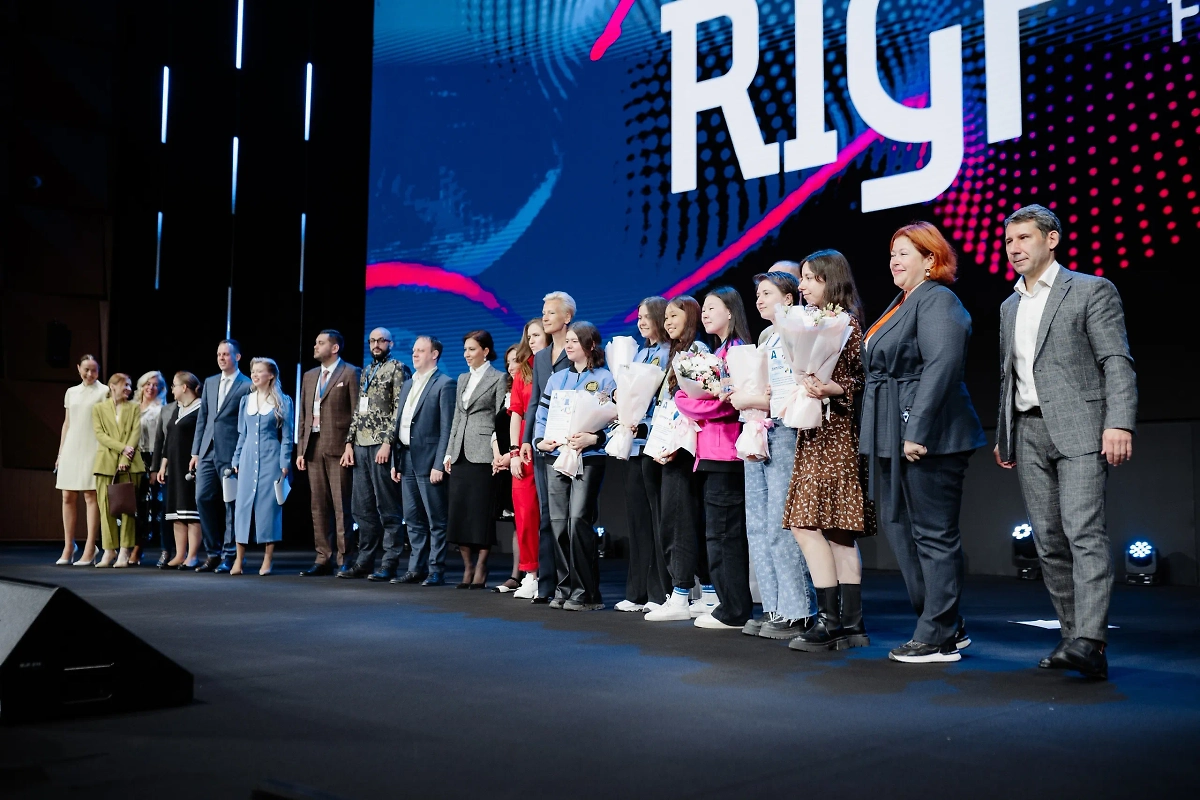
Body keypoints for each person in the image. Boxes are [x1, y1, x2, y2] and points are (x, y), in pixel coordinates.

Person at [995, 204, 1136, 680]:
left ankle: (1091, 639)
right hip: (1028, 431)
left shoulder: (1091, 289)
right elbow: (1009, 377)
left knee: (1083, 532)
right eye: (1009, 241)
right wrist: (1005, 434)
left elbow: (1116, 360)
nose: (1014, 248)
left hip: (1082, 427)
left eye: (1024, 238)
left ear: (1051, 240)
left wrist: (1119, 423)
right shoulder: (1009, 306)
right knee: (1049, 541)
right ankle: (1074, 638)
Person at [861, 222, 986, 664]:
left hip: (929, 434)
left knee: (933, 534)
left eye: (904, 253)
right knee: (901, 531)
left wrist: (917, 430)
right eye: (892, 253)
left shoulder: (938, 299)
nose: (894, 260)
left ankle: (939, 635)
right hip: (890, 432)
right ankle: (942, 621)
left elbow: (943, 363)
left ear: (931, 259)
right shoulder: (902, 302)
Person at [784, 251, 875, 652]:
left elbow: (863, 380)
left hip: (837, 434)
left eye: (810, 278)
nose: (802, 286)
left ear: (830, 280)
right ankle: (852, 626)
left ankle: (830, 621)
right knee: (832, 531)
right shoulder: (812, 324)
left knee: (815, 527)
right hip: (814, 432)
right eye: (801, 278)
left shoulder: (847, 325)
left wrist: (831, 388)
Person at [727, 272, 816, 639]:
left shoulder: (800, 330)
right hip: (756, 430)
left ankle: (800, 610)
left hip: (785, 429)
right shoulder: (765, 336)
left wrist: (758, 398)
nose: (759, 300)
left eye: (767, 293)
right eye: (758, 294)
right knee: (758, 524)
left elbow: (803, 382)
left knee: (782, 522)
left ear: (789, 298)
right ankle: (773, 605)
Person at [666, 288, 754, 631]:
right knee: (717, 533)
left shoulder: (737, 352)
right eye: (703, 308)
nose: (704, 313)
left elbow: (724, 405)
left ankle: (733, 610)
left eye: (712, 308)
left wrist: (683, 399)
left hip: (727, 453)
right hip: (711, 452)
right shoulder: (717, 352)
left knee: (724, 534)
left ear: (730, 311)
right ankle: (729, 605)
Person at [532, 321, 616, 610]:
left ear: (590, 345)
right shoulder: (556, 379)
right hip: (556, 456)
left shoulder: (605, 378)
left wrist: (595, 438)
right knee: (558, 524)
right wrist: (539, 440)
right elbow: (542, 416)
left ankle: (586, 593)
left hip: (588, 457)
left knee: (579, 520)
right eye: (566, 341)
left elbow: (616, 419)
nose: (567, 345)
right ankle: (564, 587)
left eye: (574, 341)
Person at [644, 295, 717, 622]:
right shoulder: (676, 353)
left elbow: (697, 404)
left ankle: (681, 594)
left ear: (691, 317)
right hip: (669, 444)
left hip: (684, 448)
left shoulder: (697, 351)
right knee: (683, 519)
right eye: (667, 317)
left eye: (675, 316)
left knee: (679, 520)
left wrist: (675, 442)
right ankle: (709, 593)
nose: (668, 321)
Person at [340, 327, 411, 580]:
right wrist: (349, 443)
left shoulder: (398, 368)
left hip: (381, 446)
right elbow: (359, 411)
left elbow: (399, 409)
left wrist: (388, 443)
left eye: (381, 340)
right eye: (372, 341)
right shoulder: (366, 371)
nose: (376, 345)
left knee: (388, 508)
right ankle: (365, 561)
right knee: (362, 508)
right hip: (361, 445)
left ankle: (389, 562)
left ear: (391, 343)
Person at [615, 297, 672, 613]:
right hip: (632, 444)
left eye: (647, 316)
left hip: (656, 443)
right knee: (636, 520)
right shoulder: (638, 353)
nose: (641, 322)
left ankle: (661, 592)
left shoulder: (669, 352)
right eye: (638, 317)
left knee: (657, 519)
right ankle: (636, 591)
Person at [520, 292, 576, 602]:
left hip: (571, 444)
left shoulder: (578, 348)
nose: (545, 317)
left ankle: (572, 584)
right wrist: (527, 439)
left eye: (551, 312)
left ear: (567, 317)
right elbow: (534, 402)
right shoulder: (541, 357)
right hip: (544, 444)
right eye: (543, 312)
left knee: (569, 517)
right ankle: (547, 585)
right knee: (546, 515)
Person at [390, 335, 455, 586]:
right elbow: (400, 424)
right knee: (412, 518)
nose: (415, 354)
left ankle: (436, 569)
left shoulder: (444, 384)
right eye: (414, 350)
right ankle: (415, 568)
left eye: (421, 350)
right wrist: (395, 461)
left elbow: (447, 428)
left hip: (429, 461)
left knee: (436, 519)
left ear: (434, 354)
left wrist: (439, 464)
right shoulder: (408, 384)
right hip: (406, 457)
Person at [444, 330, 508, 588]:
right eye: (465, 350)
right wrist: (449, 451)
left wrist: (497, 452)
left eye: (471, 349)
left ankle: (481, 565)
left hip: (483, 453)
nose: (466, 354)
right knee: (459, 512)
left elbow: (500, 418)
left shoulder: (498, 378)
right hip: (460, 452)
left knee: (481, 513)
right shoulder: (462, 378)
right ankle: (467, 567)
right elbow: (457, 418)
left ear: (485, 350)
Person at [296, 330, 361, 576]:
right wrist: (301, 449)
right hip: (313, 446)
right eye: (316, 342)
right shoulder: (309, 376)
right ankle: (323, 557)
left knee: (342, 505)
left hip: (338, 446)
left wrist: (350, 445)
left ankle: (346, 557)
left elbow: (357, 413)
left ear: (334, 348)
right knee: (318, 506)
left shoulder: (350, 372)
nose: (315, 346)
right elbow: (303, 415)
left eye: (321, 343)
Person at [190, 340, 253, 573]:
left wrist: (242, 454)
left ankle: (230, 555)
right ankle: (213, 553)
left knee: (231, 504)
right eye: (219, 354)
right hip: (208, 450)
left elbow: (247, 422)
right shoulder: (210, 382)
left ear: (237, 357)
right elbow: (204, 418)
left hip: (231, 451)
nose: (221, 358)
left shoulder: (247, 384)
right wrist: (196, 452)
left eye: (226, 354)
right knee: (202, 498)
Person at [230, 358, 294, 575]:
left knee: (269, 508)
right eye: (253, 371)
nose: (255, 375)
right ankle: (239, 560)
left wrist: (284, 463)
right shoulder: (245, 401)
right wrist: (236, 459)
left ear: (271, 375)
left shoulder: (282, 401)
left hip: (271, 457)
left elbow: (287, 437)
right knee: (242, 507)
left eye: (259, 371)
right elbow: (242, 434)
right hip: (247, 458)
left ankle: (267, 559)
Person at [506, 321, 546, 599]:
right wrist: (513, 452)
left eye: (536, 335)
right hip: (524, 450)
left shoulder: (560, 367)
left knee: (553, 516)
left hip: (552, 447)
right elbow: (517, 413)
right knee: (525, 513)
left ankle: (554, 573)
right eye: (528, 336)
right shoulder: (524, 370)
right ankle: (531, 574)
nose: (531, 340)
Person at [55, 354, 108, 565]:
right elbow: (67, 423)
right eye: (86, 369)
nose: (90, 373)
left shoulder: (104, 391)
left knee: (90, 495)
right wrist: (60, 453)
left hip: (93, 447)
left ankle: (90, 546)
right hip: (71, 447)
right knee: (67, 495)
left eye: (94, 370)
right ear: (78, 368)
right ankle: (69, 546)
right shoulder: (71, 392)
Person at [92, 373, 145, 568]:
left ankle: (124, 550)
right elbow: (100, 434)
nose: (129, 389)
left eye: (130, 386)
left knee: (128, 509)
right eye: (125, 385)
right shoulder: (98, 408)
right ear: (113, 386)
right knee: (106, 509)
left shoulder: (134, 408)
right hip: (105, 463)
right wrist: (121, 448)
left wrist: (124, 457)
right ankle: (109, 550)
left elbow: (135, 433)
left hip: (130, 464)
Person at [154, 372, 204, 568]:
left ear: (184, 387)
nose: (172, 389)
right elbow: (169, 441)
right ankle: (179, 554)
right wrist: (163, 466)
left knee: (190, 512)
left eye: (174, 385)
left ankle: (192, 555)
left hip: (189, 467)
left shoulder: (200, 409)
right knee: (176, 512)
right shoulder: (178, 408)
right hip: (174, 467)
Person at [134, 371, 167, 566]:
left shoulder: (161, 409)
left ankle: (139, 548)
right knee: (131, 505)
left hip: (151, 457)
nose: (151, 388)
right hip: (132, 457)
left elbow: (162, 441)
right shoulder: (132, 407)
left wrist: (156, 467)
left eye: (155, 385)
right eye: (148, 384)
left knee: (147, 507)